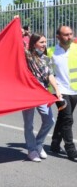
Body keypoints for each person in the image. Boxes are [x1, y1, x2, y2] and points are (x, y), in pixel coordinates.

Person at [22, 33, 61, 162]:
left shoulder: (46, 58)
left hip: (42, 93)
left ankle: (38, 144)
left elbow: (50, 75)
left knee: (50, 120)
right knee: (29, 124)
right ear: (34, 44)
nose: (44, 45)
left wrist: (56, 89)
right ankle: (31, 150)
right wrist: (17, 27)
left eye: (45, 42)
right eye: (41, 42)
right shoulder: (27, 56)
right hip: (28, 93)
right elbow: (14, 44)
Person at [49, 25, 77, 161]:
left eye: (71, 34)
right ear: (58, 36)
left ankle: (54, 143)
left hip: (74, 90)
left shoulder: (76, 48)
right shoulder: (51, 52)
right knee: (68, 119)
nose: (69, 37)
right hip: (59, 91)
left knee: (63, 118)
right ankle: (71, 150)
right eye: (66, 34)